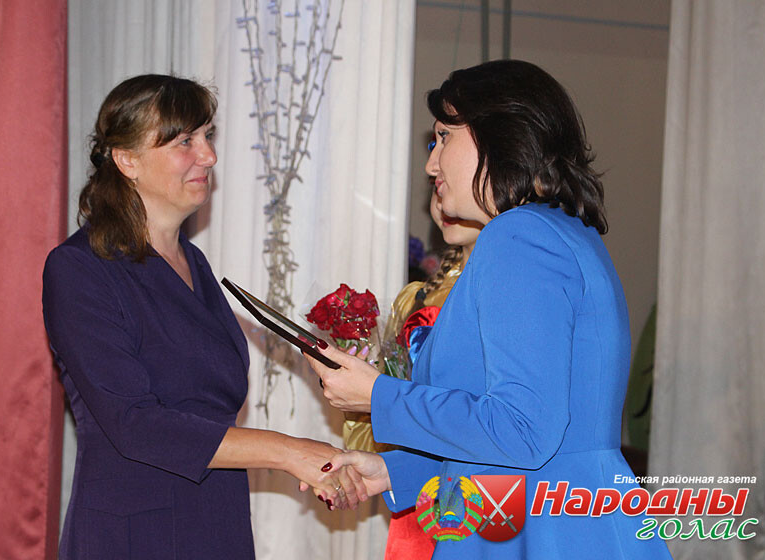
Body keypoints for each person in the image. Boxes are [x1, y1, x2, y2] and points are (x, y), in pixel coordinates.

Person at [306, 60, 673, 558]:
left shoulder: (518, 235)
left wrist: (378, 395)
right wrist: (394, 471)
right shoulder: (563, 231)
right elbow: (528, 440)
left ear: (500, 134)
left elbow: (524, 432)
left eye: (443, 137)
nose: (431, 164)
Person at [42, 74, 350, 560]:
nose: (208, 156)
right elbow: (135, 424)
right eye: (185, 141)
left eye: (208, 136)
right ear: (127, 160)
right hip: (133, 537)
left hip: (217, 521)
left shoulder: (195, 263)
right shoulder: (79, 269)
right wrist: (289, 452)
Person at [342, 189, 482, 559]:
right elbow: (376, 434)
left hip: (483, 493)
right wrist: (360, 394)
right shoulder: (414, 298)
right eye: (435, 186)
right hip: (416, 496)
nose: (443, 198)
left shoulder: (503, 299)